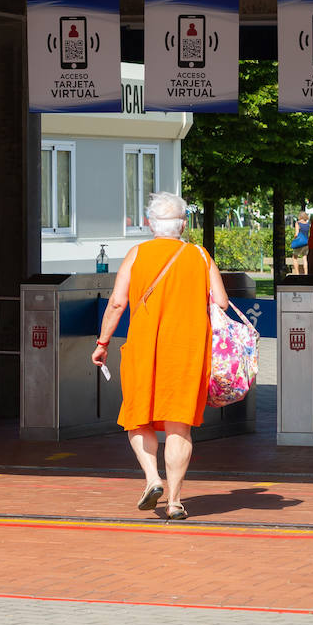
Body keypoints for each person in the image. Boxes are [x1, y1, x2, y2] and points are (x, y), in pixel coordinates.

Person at [92, 191, 229, 520]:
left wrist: (102, 342)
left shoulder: (137, 254)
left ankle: (153, 479)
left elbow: (117, 303)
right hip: (187, 351)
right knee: (179, 427)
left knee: (138, 418)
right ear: (183, 224)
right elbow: (222, 303)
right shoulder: (200, 255)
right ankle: (175, 501)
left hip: (144, 349)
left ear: (151, 224)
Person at [291, 210, 311, 274]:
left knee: (294, 257)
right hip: (306, 243)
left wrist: (294, 239)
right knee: (305, 258)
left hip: (299, 243)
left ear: (299, 216)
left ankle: (297, 274)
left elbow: (296, 234)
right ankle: (306, 273)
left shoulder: (298, 223)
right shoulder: (308, 224)